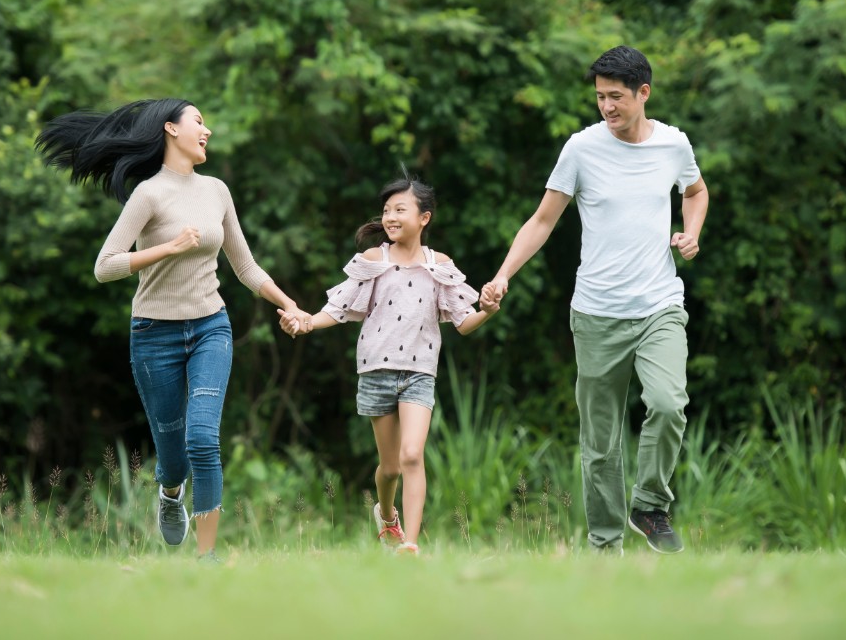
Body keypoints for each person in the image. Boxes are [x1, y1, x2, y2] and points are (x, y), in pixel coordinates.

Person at [36, 98, 311, 563]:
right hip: (153, 334)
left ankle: (207, 556)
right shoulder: (149, 195)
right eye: (198, 121)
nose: (207, 130)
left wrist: (290, 304)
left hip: (210, 327)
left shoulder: (217, 191)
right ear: (170, 129)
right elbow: (105, 266)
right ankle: (170, 492)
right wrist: (169, 248)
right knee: (174, 456)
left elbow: (245, 267)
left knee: (203, 438)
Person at [481, 45, 709, 555]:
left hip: (659, 305)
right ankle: (605, 548)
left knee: (668, 404)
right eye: (600, 97)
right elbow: (543, 220)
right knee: (601, 444)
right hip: (596, 314)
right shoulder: (581, 149)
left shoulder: (673, 144)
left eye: (616, 97)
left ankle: (649, 505)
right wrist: (503, 275)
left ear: (643, 93)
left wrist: (691, 232)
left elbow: (695, 192)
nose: (607, 106)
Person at [279, 178, 499, 555]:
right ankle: (386, 514)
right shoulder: (373, 261)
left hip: (419, 372)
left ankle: (410, 543)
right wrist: (306, 323)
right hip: (376, 371)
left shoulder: (439, 266)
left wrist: (488, 311)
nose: (390, 217)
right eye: (386, 211)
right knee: (392, 467)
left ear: (424, 218)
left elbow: (464, 322)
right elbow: (338, 309)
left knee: (412, 455)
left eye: (400, 209)